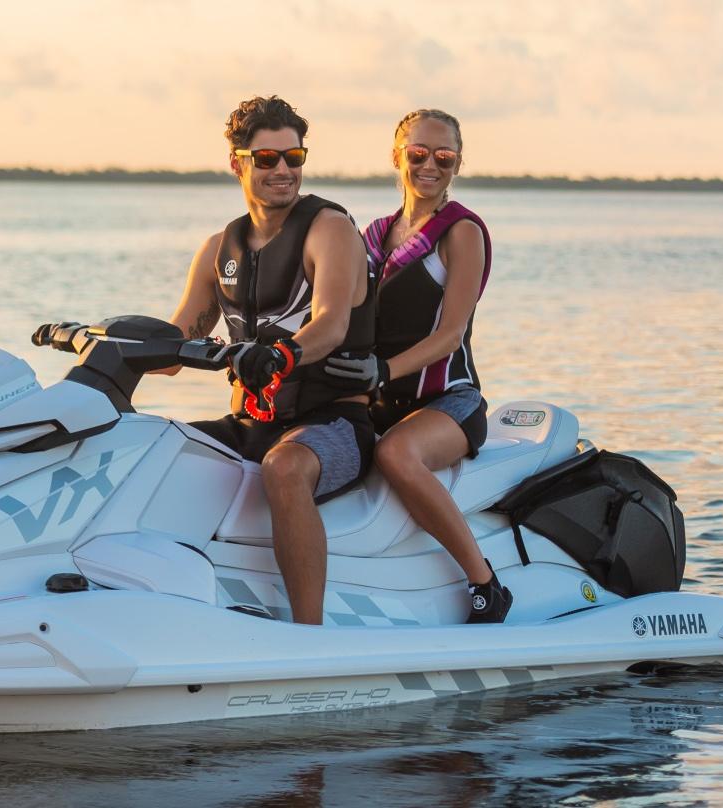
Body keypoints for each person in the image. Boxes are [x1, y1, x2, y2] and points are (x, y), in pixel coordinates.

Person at [164, 95, 377, 626]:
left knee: (284, 469)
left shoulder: (330, 230)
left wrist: (283, 354)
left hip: (333, 424)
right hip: (252, 424)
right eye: (267, 159)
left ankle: (308, 632)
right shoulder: (219, 248)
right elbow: (177, 340)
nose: (283, 170)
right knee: (153, 449)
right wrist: (109, 343)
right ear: (238, 163)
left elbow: (331, 323)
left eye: (294, 157)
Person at [324, 109, 510, 623]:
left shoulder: (462, 233)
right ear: (397, 156)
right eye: (418, 154)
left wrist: (381, 371)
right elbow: (339, 313)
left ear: (457, 163)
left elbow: (451, 335)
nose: (431, 165)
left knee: (396, 455)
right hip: (382, 399)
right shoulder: (376, 233)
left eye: (444, 156)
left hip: (449, 402)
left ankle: (485, 583)